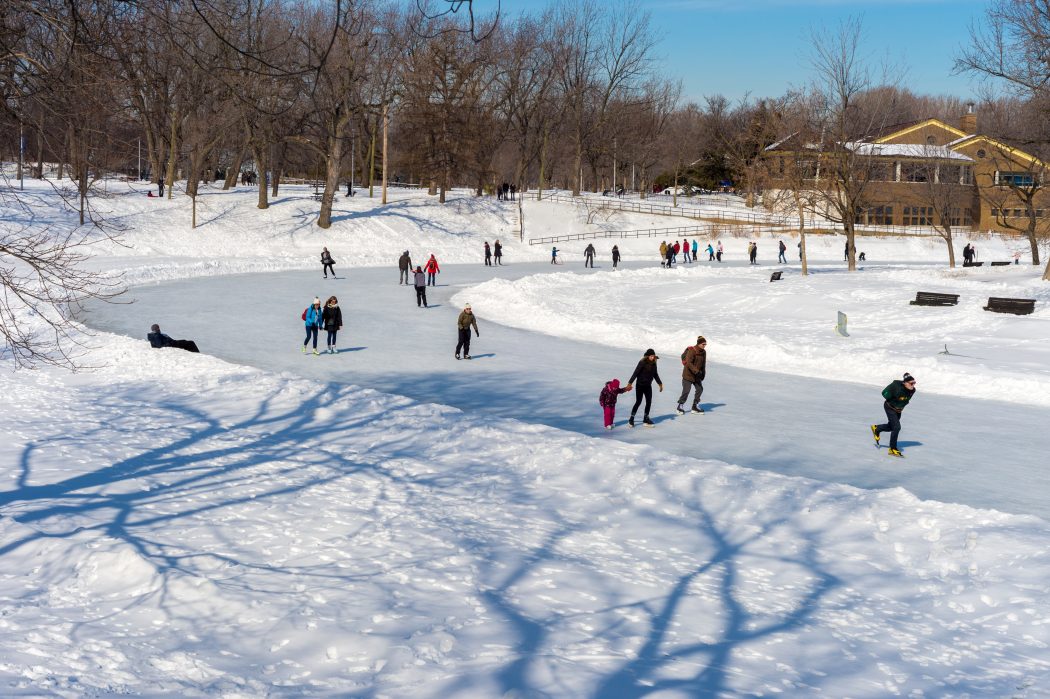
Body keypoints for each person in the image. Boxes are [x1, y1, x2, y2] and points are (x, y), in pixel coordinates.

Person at [871, 372, 917, 458]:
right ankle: (892, 448)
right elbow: (884, 393)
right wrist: (890, 398)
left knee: (892, 427)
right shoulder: (897, 387)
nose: (913, 385)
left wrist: (900, 406)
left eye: (914, 383)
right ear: (905, 383)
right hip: (889, 407)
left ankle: (877, 428)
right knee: (897, 427)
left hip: (898, 410)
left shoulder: (913, 390)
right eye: (911, 383)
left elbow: (904, 400)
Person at [625, 348, 663, 428]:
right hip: (640, 385)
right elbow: (635, 373)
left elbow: (655, 374)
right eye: (651, 356)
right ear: (647, 356)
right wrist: (630, 383)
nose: (652, 357)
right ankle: (631, 419)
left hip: (648, 386)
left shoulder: (654, 364)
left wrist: (660, 383)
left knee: (649, 402)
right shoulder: (642, 362)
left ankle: (646, 418)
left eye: (653, 356)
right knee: (638, 402)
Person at [676, 336, 707, 414]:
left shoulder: (704, 352)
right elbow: (689, 363)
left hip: (697, 375)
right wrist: (696, 371)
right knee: (686, 391)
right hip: (688, 374)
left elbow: (703, 364)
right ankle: (680, 406)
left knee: (700, 389)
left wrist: (703, 374)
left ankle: (695, 406)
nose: (704, 345)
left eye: (705, 344)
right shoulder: (692, 351)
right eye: (703, 344)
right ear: (699, 344)